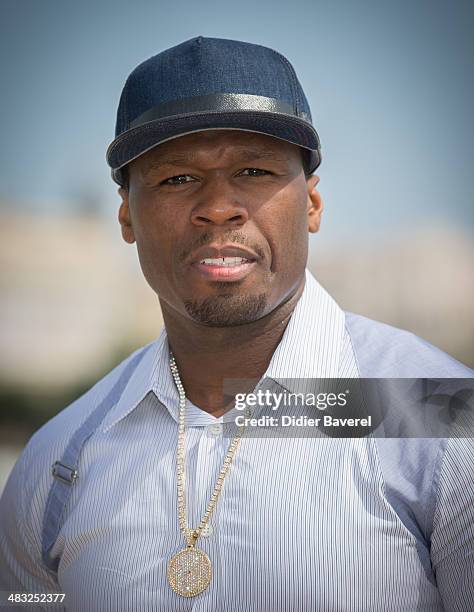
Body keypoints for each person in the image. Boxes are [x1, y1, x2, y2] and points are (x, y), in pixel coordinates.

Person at [0, 36, 473, 612]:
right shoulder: (56, 460)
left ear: (313, 206)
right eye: (176, 179)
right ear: (127, 215)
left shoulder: (439, 419)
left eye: (253, 169)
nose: (219, 206)